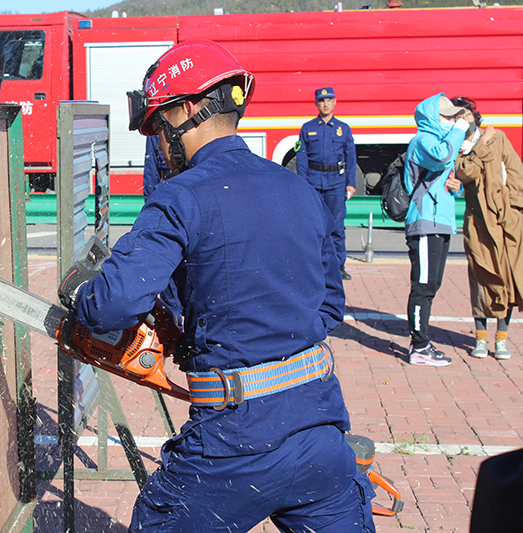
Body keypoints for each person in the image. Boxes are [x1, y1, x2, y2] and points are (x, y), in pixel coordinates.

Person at [60, 40, 375, 532]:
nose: (159, 148)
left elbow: (112, 305)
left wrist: (83, 296)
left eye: (159, 131)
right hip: (320, 432)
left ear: (187, 110)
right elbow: (330, 303)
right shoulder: (298, 188)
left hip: (234, 444)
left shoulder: (180, 196)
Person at [453, 96, 523, 361]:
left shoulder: (499, 138)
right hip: (478, 224)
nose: (463, 119)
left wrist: (515, 211)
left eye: (466, 114)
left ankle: (502, 340)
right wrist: (480, 146)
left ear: (474, 116)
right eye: (457, 116)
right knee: (481, 278)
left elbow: (516, 173)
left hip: (506, 222)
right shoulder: (459, 148)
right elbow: (465, 172)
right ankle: (480, 338)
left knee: (506, 279)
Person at [404, 94, 469, 366]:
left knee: (432, 285)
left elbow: (447, 178)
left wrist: (459, 188)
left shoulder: (443, 142)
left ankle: (423, 343)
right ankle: (419, 347)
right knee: (423, 286)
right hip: (425, 222)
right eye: (447, 116)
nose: (453, 121)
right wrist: (460, 130)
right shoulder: (423, 141)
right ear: (432, 117)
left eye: (454, 117)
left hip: (440, 221)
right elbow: (442, 159)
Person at [296, 87, 357, 280]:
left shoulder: (343, 129)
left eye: (329, 100)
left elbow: (351, 157)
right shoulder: (308, 128)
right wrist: (303, 184)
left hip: (336, 183)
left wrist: (351, 183)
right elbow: (302, 158)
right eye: (321, 100)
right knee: (313, 225)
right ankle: (313, 265)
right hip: (313, 182)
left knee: (337, 227)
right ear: (316, 104)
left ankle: (339, 266)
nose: (325, 104)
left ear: (334, 102)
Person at [142, 135, 170, 200]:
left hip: (168, 190)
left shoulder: (156, 128)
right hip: (168, 189)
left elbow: (151, 170)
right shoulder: (155, 130)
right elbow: (151, 170)